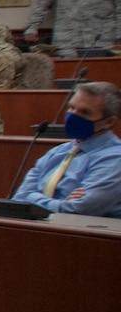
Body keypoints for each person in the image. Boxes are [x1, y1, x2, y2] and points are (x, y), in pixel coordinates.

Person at [11, 81, 121, 218]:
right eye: (71, 108)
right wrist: (60, 203)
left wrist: (33, 197)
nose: (73, 115)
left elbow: (77, 211)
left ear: (109, 122)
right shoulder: (58, 151)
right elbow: (19, 198)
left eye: (85, 112)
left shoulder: (115, 158)